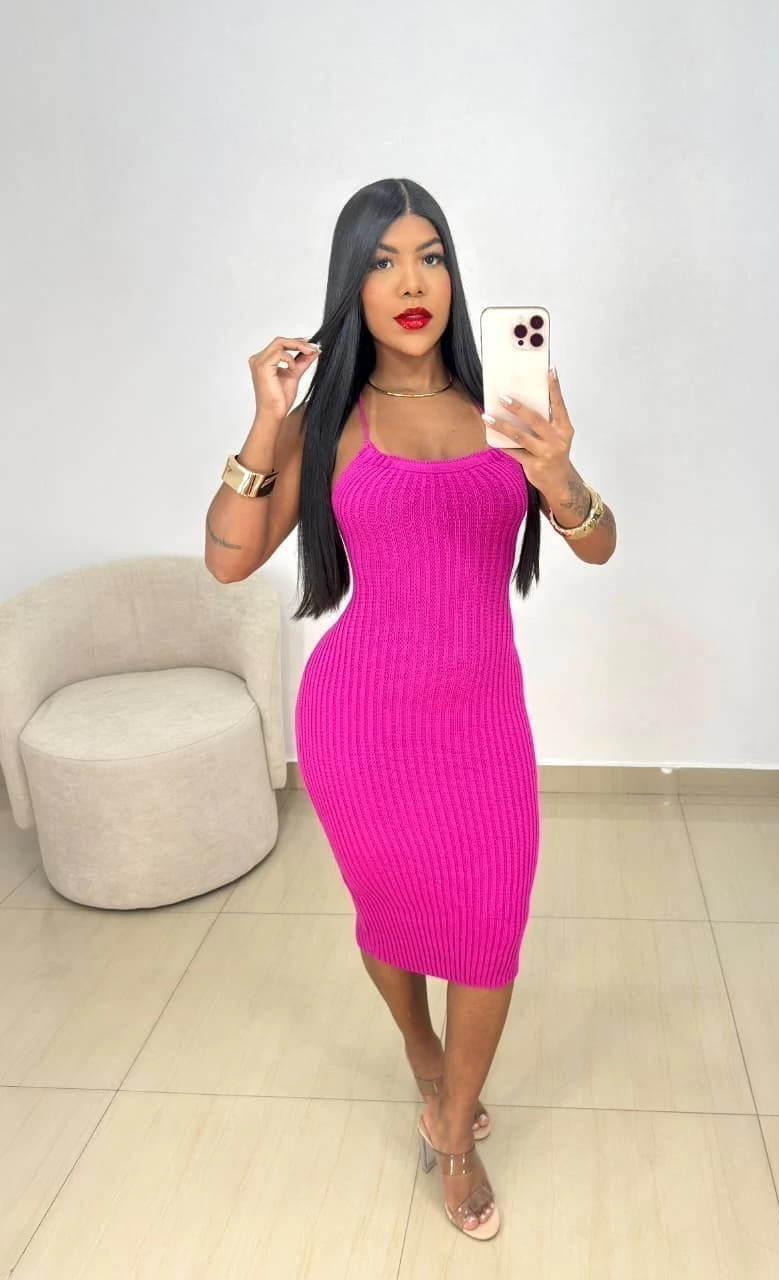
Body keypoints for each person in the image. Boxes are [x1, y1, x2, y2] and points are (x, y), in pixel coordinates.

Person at [205, 177, 614, 1242]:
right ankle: (423, 1056)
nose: (410, 280)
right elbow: (228, 559)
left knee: (490, 925)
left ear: (452, 273)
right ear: (352, 286)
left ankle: (454, 1129)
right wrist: (265, 423)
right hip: (361, 719)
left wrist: (560, 472)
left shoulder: (506, 410)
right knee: (388, 911)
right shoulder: (326, 423)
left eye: (429, 255)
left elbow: (597, 542)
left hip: (483, 718)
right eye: (381, 262)